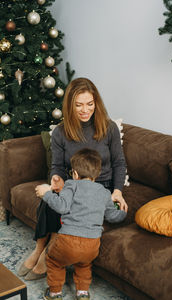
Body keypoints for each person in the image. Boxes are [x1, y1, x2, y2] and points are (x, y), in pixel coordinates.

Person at [17, 77, 128, 280]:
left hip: (100, 185)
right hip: (72, 182)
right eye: (78, 105)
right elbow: (57, 166)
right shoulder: (60, 132)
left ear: (96, 103)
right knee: (50, 198)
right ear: (70, 105)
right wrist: (56, 180)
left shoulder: (109, 128)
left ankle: (47, 253)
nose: (85, 110)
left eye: (89, 104)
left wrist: (118, 191)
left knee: (68, 206)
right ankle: (39, 248)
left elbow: (119, 163)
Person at [35, 148, 127, 300]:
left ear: (75, 174)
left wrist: (47, 194)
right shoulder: (104, 193)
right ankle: (82, 293)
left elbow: (62, 206)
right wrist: (123, 211)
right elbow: (112, 216)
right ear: (97, 174)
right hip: (92, 245)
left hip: (68, 241)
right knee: (84, 264)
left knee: (53, 260)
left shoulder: (71, 185)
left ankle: (55, 293)